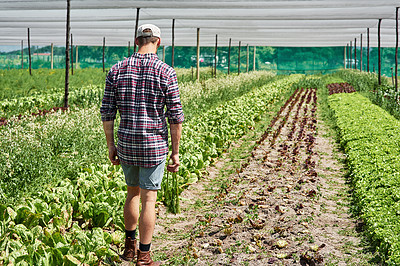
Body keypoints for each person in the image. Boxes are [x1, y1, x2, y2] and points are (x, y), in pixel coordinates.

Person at [100, 24, 184, 265]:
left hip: (126, 144)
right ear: (158, 42)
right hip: (153, 145)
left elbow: (107, 112)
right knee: (149, 199)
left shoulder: (117, 70)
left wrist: (111, 145)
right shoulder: (166, 72)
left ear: (135, 41)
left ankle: (128, 248)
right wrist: (175, 153)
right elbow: (175, 116)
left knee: (132, 194)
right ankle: (144, 256)